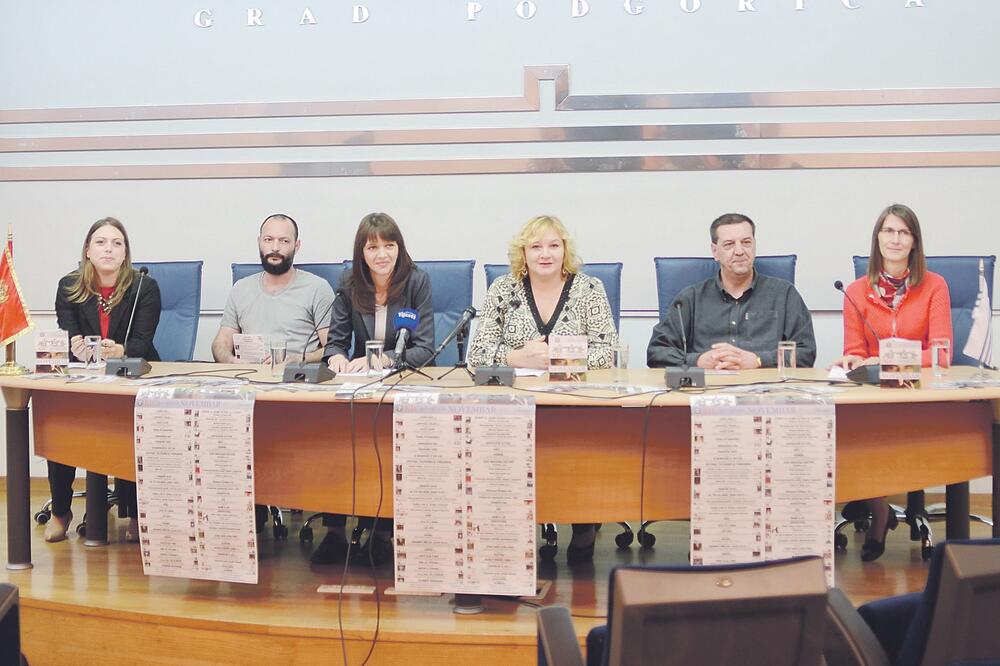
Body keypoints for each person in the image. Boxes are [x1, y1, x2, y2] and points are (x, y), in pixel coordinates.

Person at [467, 215, 618, 564]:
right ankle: (507, 529)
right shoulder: (503, 289)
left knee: (576, 445)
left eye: (553, 245)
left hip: (576, 402)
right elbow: (476, 355)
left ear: (565, 250)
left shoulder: (588, 288)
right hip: (513, 404)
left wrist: (559, 359)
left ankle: (583, 523)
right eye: (536, 246)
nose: (545, 254)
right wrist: (515, 357)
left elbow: (608, 351)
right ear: (523, 253)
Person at [832, 203, 952, 561]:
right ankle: (878, 507)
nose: (895, 239)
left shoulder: (935, 286)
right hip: (873, 395)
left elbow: (942, 353)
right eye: (888, 231)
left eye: (903, 232)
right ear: (878, 238)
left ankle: (876, 507)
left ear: (914, 241)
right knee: (855, 429)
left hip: (919, 394)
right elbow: (855, 351)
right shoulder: (856, 291)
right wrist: (853, 360)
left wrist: (893, 359)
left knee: (880, 432)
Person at [316, 212, 434, 564]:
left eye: (389, 246)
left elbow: (425, 349)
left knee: (389, 446)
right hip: (359, 386)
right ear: (361, 253)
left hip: (402, 384)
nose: (382, 254)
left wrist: (384, 360)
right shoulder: (349, 284)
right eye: (372, 248)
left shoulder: (416, 281)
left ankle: (383, 533)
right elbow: (336, 343)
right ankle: (334, 532)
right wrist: (336, 357)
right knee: (336, 443)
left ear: (399, 248)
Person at [212, 213, 335, 535]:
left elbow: (332, 349)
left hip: (298, 391)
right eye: (269, 240)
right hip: (248, 389)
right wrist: (230, 360)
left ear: (297, 246)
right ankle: (244, 511)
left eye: (283, 241)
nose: (275, 247)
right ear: (259, 243)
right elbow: (220, 343)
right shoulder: (241, 289)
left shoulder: (317, 288)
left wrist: (297, 359)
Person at [48, 217, 161, 543]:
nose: (108, 249)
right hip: (85, 379)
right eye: (100, 242)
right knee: (59, 424)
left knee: (139, 431)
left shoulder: (144, 287)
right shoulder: (69, 287)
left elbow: (143, 341)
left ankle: (137, 512)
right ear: (87, 250)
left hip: (131, 378)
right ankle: (61, 510)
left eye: (116, 243)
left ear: (125, 253)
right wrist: (76, 348)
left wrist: (121, 350)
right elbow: (69, 335)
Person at [647, 212, 816, 370]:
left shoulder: (784, 294)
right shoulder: (691, 298)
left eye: (746, 242)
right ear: (715, 251)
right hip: (707, 386)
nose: (740, 251)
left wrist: (759, 360)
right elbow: (656, 352)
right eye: (729, 244)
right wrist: (697, 360)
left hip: (766, 387)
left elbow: (806, 353)